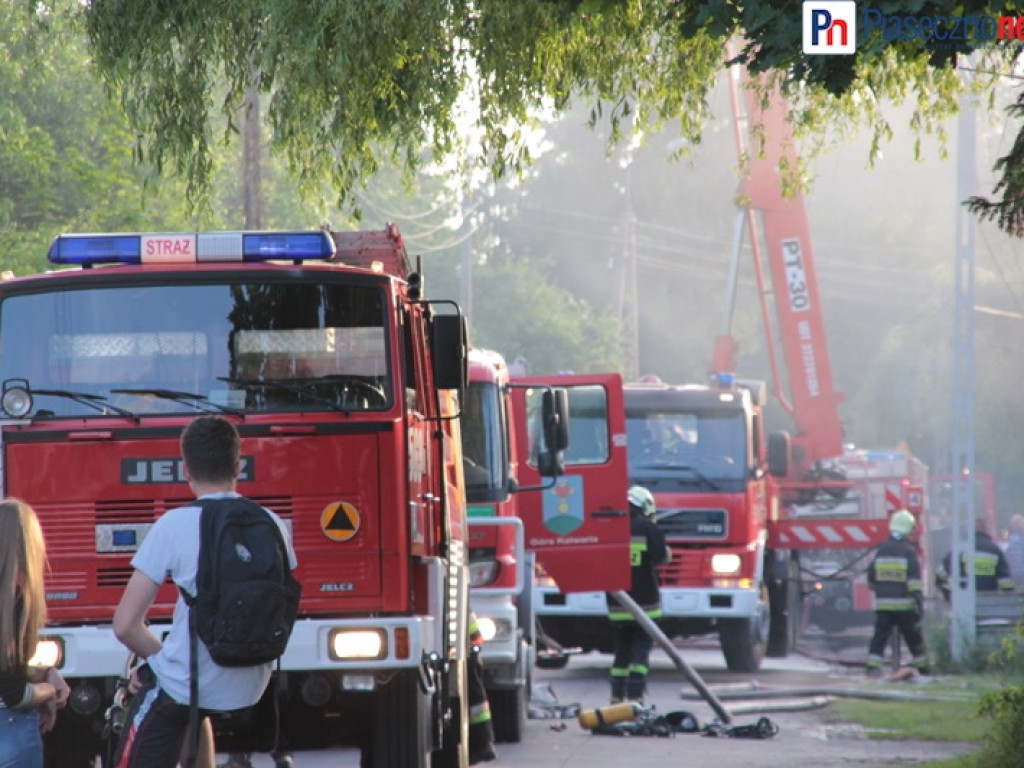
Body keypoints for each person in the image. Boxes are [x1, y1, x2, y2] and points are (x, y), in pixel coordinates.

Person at [112, 415, 298, 768]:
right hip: (251, 685)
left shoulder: (174, 524)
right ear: (238, 466)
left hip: (193, 684)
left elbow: (125, 626)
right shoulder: (273, 523)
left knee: (162, 691)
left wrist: (159, 661)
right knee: (187, 700)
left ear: (185, 471)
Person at [0, 499, 71, 767]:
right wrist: (49, 691)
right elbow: (15, 694)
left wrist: (44, 672)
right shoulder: (14, 602)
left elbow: (6, 670)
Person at [605, 485, 670, 704]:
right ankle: (636, 699)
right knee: (640, 655)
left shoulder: (609, 527)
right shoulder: (648, 528)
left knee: (621, 654)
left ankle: (615, 698)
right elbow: (661, 557)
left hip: (617, 606)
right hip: (646, 606)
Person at [865, 509, 930, 677]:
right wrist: (918, 603)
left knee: (879, 637)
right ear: (909, 530)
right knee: (913, 638)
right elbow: (914, 582)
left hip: (884, 605)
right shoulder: (909, 552)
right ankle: (923, 668)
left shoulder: (882, 550)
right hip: (905, 607)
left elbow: (871, 578)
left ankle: (872, 667)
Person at [936, 515, 1016, 600]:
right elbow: (1006, 583)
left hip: (963, 602)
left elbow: (940, 575)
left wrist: (948, 596)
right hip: (988, 602)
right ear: (985, 530)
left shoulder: (960, 550)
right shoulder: (994, 550)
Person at [467, 612, 497, 765]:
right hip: (468, 639)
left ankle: (483, 744)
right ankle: (483, 743)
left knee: (473, 690)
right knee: (474, 690)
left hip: (466, 640)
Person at [1004, 513, 1024, 584]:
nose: (1017, 525)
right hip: (1014, 575)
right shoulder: (1012, 539)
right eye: (1014, 523)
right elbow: (1008, 556)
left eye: (1018, 522)